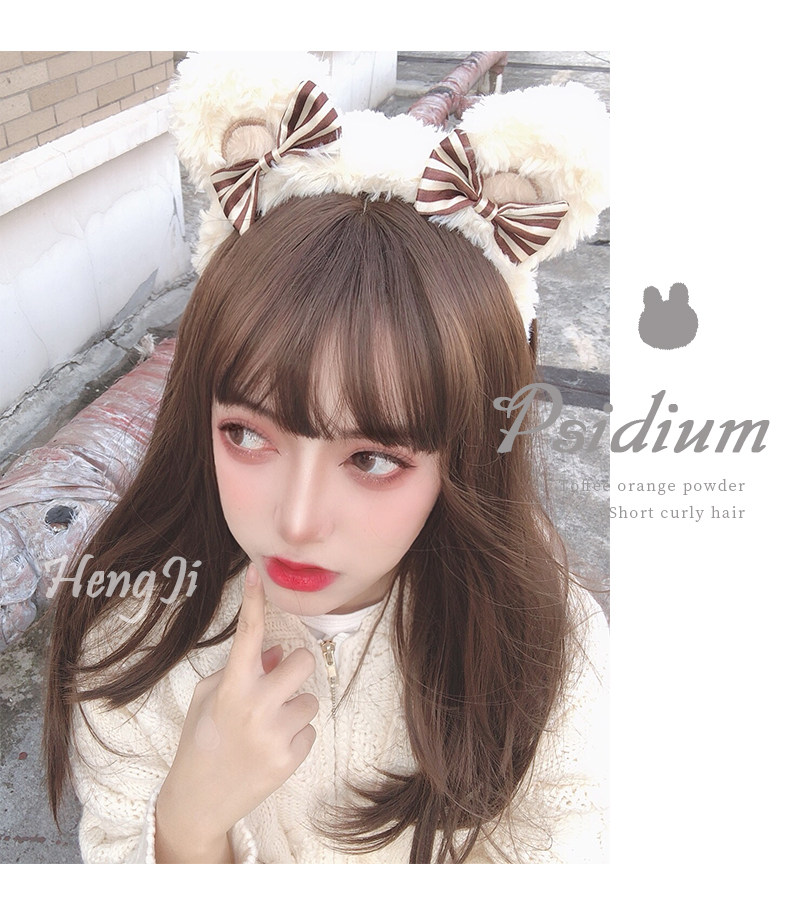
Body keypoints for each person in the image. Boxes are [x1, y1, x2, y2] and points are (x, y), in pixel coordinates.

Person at [43, 52, 609, 864]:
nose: (297, 520)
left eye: (373, 457)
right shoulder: (137, 631)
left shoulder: (543, 641)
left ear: (466, 453)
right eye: (248, 434)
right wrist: (187, 824)